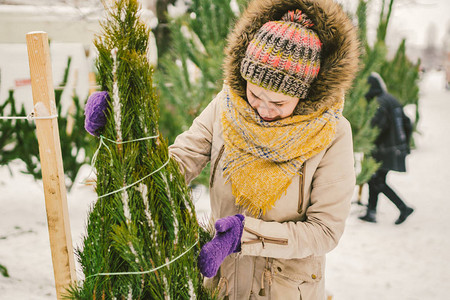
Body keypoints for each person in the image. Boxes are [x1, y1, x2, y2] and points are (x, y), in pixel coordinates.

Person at [168, 0, 359, 299]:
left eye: (280, 103)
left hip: (283, 290)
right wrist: (126, 135)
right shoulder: (226, 107)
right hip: (224, 286)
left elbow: (324, 231)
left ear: (305, 95)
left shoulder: (332, 134)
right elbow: (181, 159)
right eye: (255, 94)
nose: (263, 110)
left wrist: (246, 236)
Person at [359, 72, 414, 225]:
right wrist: (405, 144)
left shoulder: (379, 103)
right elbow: (407, 123)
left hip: (383, 149)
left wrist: (363, 138)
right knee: (375, 179)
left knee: (376, 180)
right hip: (394, 147)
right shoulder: (391, 99)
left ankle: (403, 208)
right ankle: (371, 213)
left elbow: (376, 128)